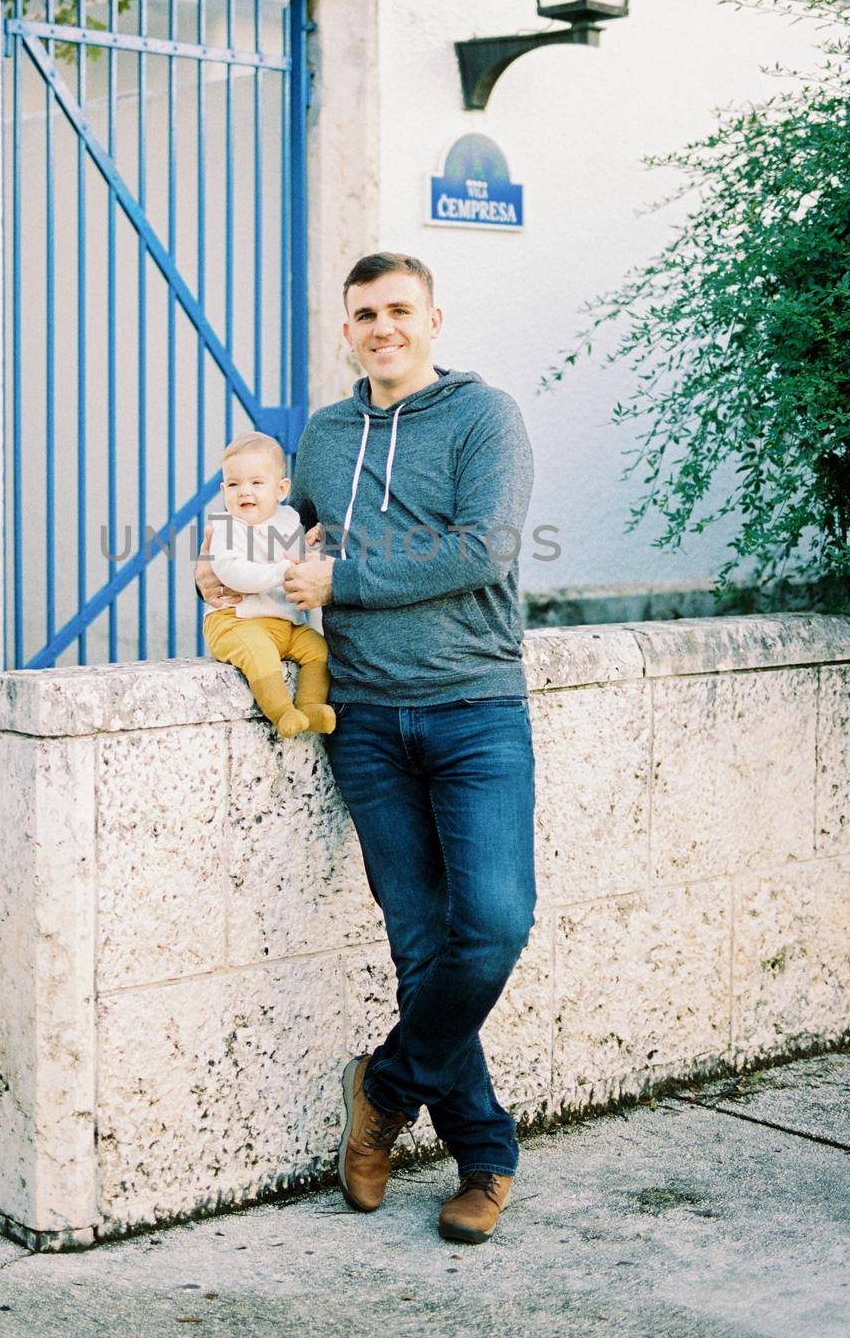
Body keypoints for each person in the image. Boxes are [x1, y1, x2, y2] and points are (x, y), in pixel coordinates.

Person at [196, 251, 535, 1246]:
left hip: (475, 706)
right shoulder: (328, 433)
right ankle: (483, 1155)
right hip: (368, 721)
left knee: (494, 923)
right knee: (422, 942)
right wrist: (227, 580)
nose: (382, 326)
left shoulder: (485, 418)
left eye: (399, 309)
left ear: (432, 319)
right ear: (345, 331)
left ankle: (382, 1086)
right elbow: (290, 544)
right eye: (363, 313)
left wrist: (339, 583)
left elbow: (482, 548)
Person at [202, 431, 334, 738]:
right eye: (234, 485)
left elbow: (298, 561)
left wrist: (311, 548)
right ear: (224, 490)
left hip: (285, 624)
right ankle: (282, 712)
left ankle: (310, 706)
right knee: (259, 652)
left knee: (319, 650)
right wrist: (283, 570)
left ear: (281, 489)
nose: (244, 492)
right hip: (236, 621)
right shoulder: (227, 526)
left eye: (256, 483)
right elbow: (233, 572)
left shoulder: (288, 520)